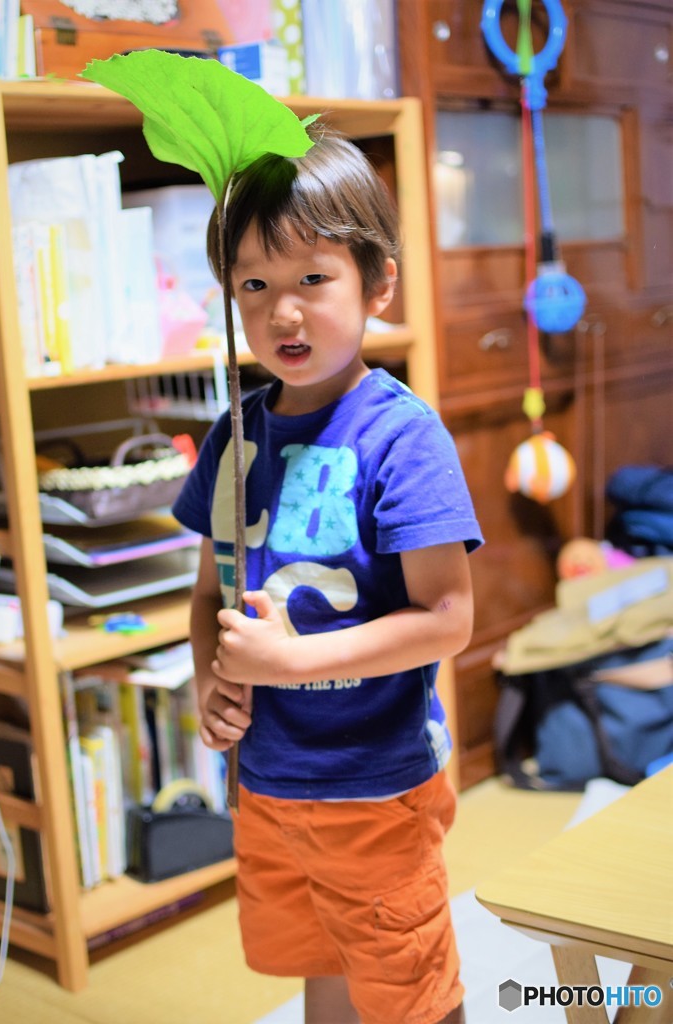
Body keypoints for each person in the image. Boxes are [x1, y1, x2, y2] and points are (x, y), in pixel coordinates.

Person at [172, 122, 483, 1024]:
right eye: (254, 285)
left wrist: (289, 663)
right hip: (268, 783)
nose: (284, 312)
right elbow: (209, 595)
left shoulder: (400, 435)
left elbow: (448, 618)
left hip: (375, 786)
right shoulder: (236, 432)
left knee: (410, 993)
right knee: (326, 974)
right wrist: (211, 676)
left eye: (313, 278)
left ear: (377, 282)